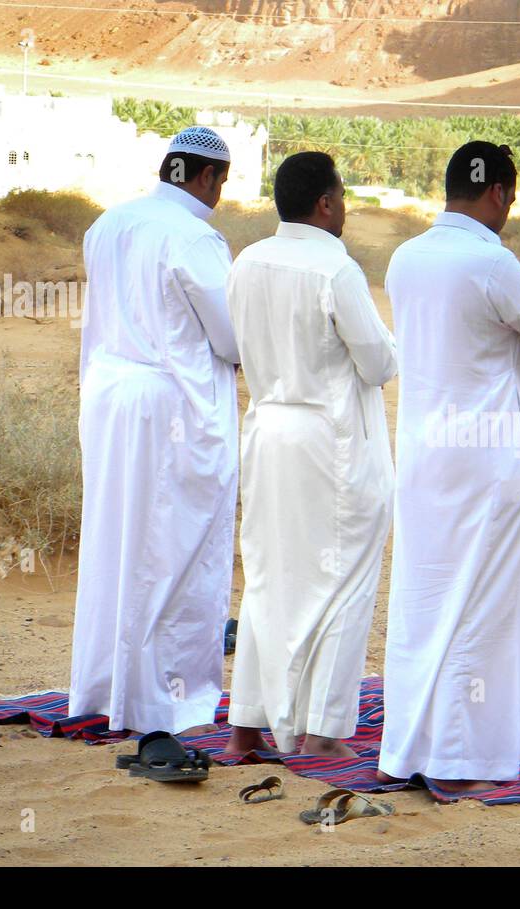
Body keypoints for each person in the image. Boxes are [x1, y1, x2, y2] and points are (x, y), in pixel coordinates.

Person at [378, 141, 520, 791]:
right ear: (497, 193)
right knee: (483, 610)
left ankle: (413, 748)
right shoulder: (493, 262)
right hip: (492, 465)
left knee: (427, 601)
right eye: (511, 199)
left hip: (426, 459)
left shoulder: (406, 259)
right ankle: (463, 761)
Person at [224, 152, 396, 759]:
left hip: (267, 432)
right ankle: (321, 733)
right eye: (342, 196)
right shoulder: (334, 268)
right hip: (331, 441)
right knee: (343, 579)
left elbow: (238, 344)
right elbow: (377, 363)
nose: (345, 207)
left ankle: (247, 724)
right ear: (325, 203)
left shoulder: (246, 261)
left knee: (270, 577)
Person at [68, 127, 240, 733]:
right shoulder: (195, 237)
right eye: (220, 181)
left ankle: (102, 689)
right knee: (172, 552)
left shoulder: (108, 224)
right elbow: (230, 336)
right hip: (170, 407)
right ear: (206, 177)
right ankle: (163, 700)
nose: (218, 193)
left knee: (114, 544)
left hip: (109, 396)